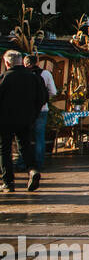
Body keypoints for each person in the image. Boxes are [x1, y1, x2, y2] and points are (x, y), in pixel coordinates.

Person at [0, 49, 47, 193]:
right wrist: (33, 114)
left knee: (5, 150)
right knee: (25, 146)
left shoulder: (4, 78)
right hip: (26, 119)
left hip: (5, 120)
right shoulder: (33, 77)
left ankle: (8, 182)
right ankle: (32, 170)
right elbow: (43, 98)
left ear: (7, 62)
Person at [24, 54, 58, 175]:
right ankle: (39, 163)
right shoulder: (46, 74)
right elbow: (53, 91)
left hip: (25, 110)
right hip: (42, 108)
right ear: (37, 62)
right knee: (40, 137)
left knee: (24, 136)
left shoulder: (24, 74)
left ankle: (24, 162)